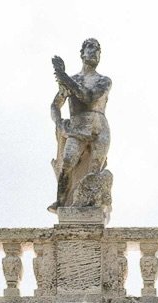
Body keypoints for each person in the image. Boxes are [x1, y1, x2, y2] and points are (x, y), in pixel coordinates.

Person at [49, 39, 112, 213]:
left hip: (99, 127)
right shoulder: (73, 80)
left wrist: (64, 77)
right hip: (77, 126)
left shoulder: (104, 81)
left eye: (99, 50)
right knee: (67, 163)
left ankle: (90, 205)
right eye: (91, 48)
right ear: (82, 53)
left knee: (95, 170)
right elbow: (55, 105)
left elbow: (90, 98)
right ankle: (61, 201)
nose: (95, 53)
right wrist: (59, 123)